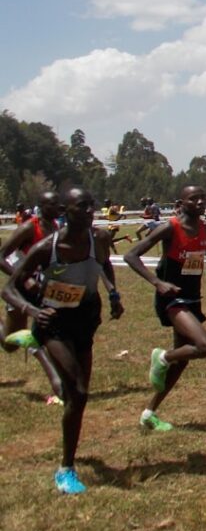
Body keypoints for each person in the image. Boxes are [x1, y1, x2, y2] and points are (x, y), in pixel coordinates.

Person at [1, 187, 122, 493]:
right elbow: (8, 289)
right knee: (78, 392)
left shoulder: (100, 239)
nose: (89, 210)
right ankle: (65, 469)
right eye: (81, 206)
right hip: (53, 322)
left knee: (77, 397)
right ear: (67, 212)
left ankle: (70, 455)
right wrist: (31, 309)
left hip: (85, 320)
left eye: (90, 205)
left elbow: (105, 263)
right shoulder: (46, 247)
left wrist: (112, 292)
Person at [124, 185, 206, 431]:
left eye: (203, 198)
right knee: (204, 346)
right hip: (172, 299)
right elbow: (131, 255)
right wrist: (157, 282)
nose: (200, 202)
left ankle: (148, 412)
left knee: (183, 360)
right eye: (193, 198)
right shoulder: (170, 228)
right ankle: (162, 356)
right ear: (182, 202)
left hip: (193, 299)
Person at [1, 190, 65, 404]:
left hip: (41, 290)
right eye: (54, 204)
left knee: (50, 331)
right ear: (42, 207)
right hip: (20, 288)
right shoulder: (30, 227)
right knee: (10, 345)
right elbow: (1, 255)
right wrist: (21, 277)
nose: (58, 207)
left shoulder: (56, 227)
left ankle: (60, 385)